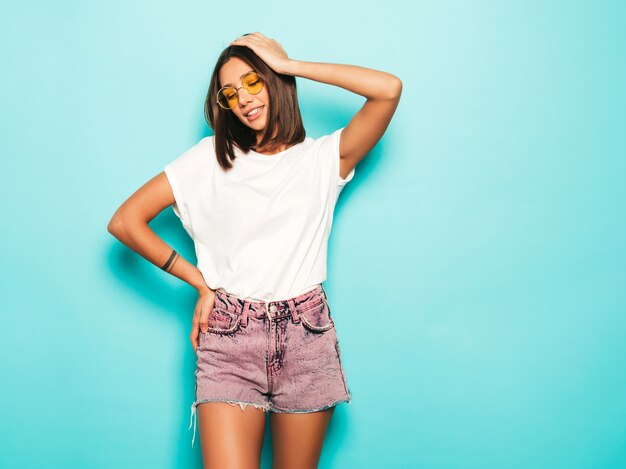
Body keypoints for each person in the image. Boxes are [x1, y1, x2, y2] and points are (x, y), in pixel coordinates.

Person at [107, 31, 402, 469]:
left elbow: (388, 90)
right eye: (230, 93)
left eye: (253, 81)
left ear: (273, 78)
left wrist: (290, 65)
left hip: (306, 334)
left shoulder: (322, 159)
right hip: (230, 334)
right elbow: (125, 222)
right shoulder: (208, 159)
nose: (243, 99)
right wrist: (199, 283)